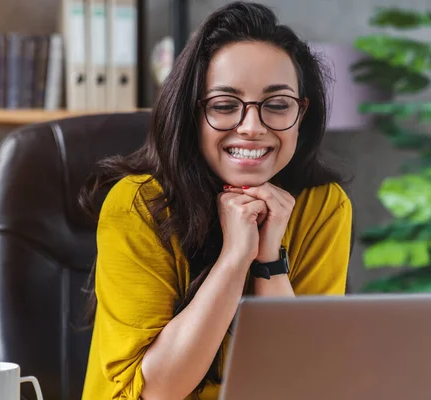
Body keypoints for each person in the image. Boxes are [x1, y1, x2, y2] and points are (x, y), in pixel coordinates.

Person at [79, 1, 353, 399]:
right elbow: (157, 390)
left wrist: (269, 260)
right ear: (192, 114)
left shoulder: (323, 207)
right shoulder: (136, 205)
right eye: (225, 106)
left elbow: (302, 382)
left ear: (302, 112)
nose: (252, 127)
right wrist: (234, 257)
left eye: (277, 105)